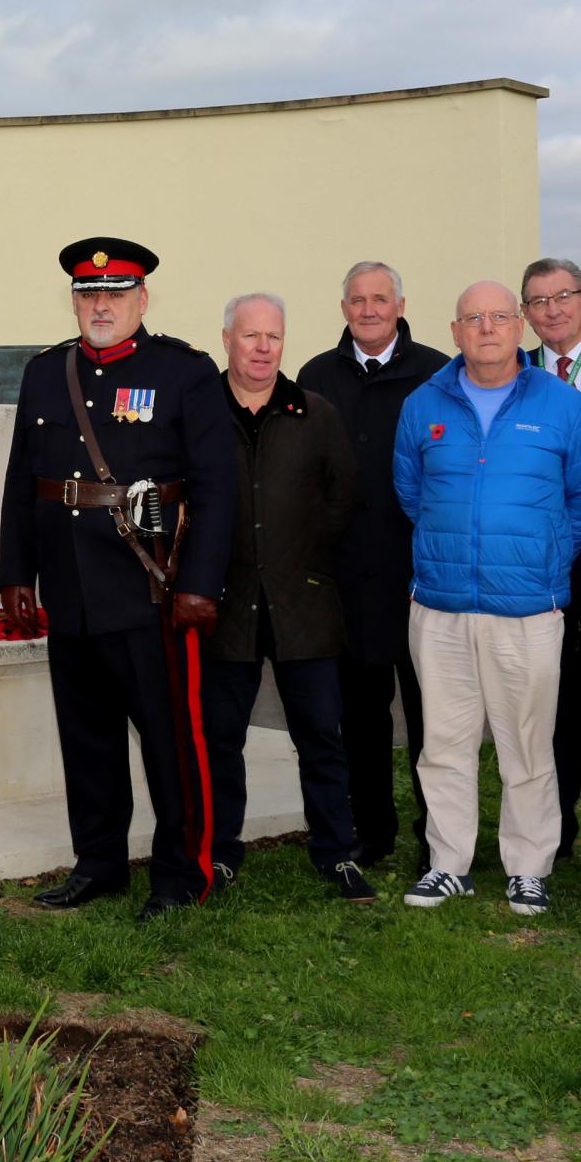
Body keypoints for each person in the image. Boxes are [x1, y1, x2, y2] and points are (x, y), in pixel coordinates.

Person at [0, 237, 237, 921]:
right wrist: (17, 569)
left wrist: (199, 583)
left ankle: (182, 873)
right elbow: (23, 477)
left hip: (150, 585)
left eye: (115, 293)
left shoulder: (183, 372)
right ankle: (99, 863)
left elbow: (217, 488)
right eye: (88, 294)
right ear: (75, 299)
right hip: (70, 587)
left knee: (171, 739)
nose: (100, 304)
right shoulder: (46, 372)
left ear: (141, 298)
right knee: (88, 737)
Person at [393, 282, 581, 917]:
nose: (486, 328)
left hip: (528, 610)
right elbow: (413, 494)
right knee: (444, 744)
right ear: (455, 331)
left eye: (498, 316)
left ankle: (528, 867)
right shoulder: (422, 403)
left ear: (519, 327)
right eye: (472, 319)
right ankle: (448, 863)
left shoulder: (563, 405)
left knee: (527, 745)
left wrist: (539, 557)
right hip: (440, 606)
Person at [201, 292, 372, 903]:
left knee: (322, 737)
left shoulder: (315, 412)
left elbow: (340, 497)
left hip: (303, 608)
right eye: (251, 336)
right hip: (226, 606)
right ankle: (218, 854)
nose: (263, 348)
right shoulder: (200, 413)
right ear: (227, 339)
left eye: (273, 336)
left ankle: (336, 855)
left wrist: (297, 560)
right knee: (221, 738)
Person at [296, 260, 448, 867]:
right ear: (343, 309)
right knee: (360, 719)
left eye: (379, 299)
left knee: (432, 718)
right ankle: (373, 832)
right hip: (346, 578)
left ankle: (439, 833)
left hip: (422, 576)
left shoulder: (438, 373)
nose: (368, 310)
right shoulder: (314, 376)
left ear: (400, 305)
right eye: (357, 300)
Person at [520, 256, 581, 864]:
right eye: (538, 300)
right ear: (525, 314)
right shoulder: (515, 373)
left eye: (564, 296)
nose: (552, 310)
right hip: (538, 562)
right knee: (544, 702)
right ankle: (553, 833)